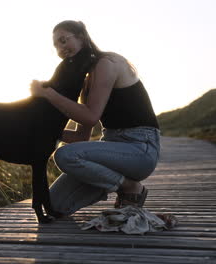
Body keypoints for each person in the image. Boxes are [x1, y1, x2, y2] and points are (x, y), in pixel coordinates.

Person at [30, 20, 160, 216]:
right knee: (54, 205)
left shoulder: (107, 63)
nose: (60, 49)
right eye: (56, 46)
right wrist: (46, 131)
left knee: (64, 155)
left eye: (64, 40)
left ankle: (129, 186)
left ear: (81, 37)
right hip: (111, 150)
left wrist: (48, 93)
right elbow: (81, 137)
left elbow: (91, 117)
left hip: (140, 149)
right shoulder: (87, 83)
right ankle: (116, 181)